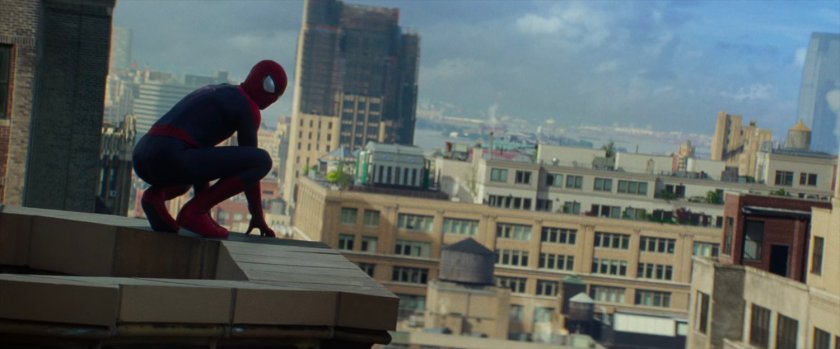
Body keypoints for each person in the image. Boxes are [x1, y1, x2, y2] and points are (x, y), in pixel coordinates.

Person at [133, 60, 287, 238]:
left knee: (186, 179)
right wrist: (257, 215)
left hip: (144, 155)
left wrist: (204, 212)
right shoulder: (247, 106)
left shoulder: (218, 90)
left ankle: (156, 196)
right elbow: (251, 164)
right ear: (267, 88)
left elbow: (201, 159)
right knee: (262, 160)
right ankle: (193, 213)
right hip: (172, 156)